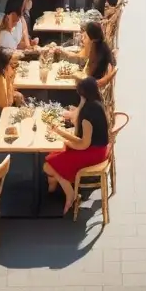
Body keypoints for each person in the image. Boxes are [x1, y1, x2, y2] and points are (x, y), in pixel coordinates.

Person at [43, 77, 111, 214]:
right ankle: (54, 188)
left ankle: (69, 193)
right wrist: (63, 135)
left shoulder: (87, 114)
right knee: (53, 156)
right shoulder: (97, 104)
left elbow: (83, 144)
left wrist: (62, 135)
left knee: (47, 166)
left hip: (93, 154)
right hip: (101, 149)